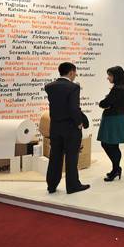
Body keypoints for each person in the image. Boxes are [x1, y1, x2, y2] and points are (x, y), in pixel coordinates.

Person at [44, 62, 90, 194]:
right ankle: (72, 185)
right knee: (71, 157)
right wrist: (79, 122)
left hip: (55, 127)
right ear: (71, 72)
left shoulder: (49, 87)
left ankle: (51, 185)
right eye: (75, 73)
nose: (75, 75)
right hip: (70, 128)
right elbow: (74, 108)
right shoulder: (73, 87)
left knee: (55, 157)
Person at [97, 66, 124, 182]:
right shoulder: (123, 87)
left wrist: (104, 102)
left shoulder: (118, 89)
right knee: (113, 145)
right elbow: (108, 103)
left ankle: (116, 169)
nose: (108, 78)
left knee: (107, 144)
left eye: (110, 75)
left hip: (113, 119)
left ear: (116, 76)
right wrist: (107, 102)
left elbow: (104, 103)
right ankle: (116, 169)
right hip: (117, 118)